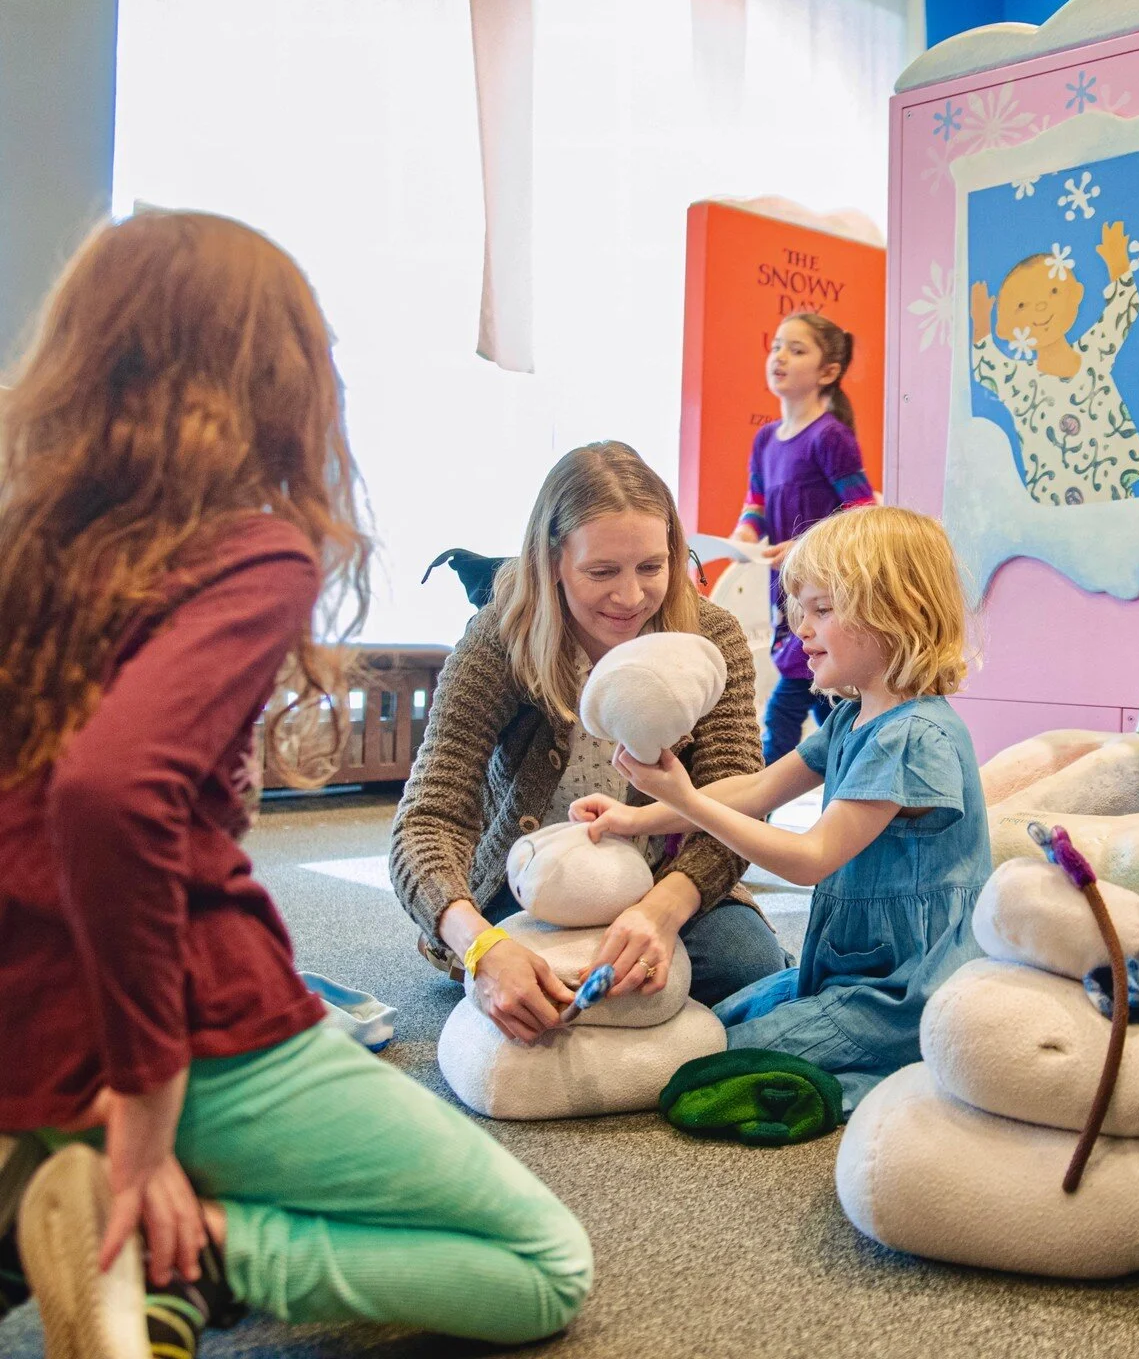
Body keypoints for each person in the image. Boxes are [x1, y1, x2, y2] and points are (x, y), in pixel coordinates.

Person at [0, 212, 592, 1358]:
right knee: (542, 1264)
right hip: (185, 1020)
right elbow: (108, 797)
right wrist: (142, 1100)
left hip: (29, 1005)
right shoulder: (248, 546)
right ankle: (211, 1252)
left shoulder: (31, 545)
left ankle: (87, 1210)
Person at [573, 505, 991, 1113]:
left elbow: (810, 859)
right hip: (845, 968)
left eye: (823, 610)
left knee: (704, 1060)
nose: (803, 629)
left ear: (895, 614)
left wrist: (684, 797)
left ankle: (914, 1066)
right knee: (710, 1020)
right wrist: (639, 815)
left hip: (905, 993)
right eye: (803, 610)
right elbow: (755, 790)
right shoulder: (854, 716)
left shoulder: (914, 737)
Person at [390, 440, 786, 1042]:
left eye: (651, 568)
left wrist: (661, 909)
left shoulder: (712, 637)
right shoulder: (500, 640)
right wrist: (480, 947)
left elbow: (733, 803)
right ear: (551, 561)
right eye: (601, 572)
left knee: (744, 964)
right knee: (513, 967)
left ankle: (591, 990)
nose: (629, 598)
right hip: (527, 887)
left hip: (662, 876)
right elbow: (428, 816)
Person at [730, 312, 876, 765]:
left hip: (823, 594)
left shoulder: (831, 437)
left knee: (782, 712)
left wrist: (806, 546)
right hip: (784, 593)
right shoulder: (765, 439)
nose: (780, 357)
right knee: (827, 703)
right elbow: (756, 500)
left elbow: (862, 512)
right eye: (776, 346)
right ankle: (851, 781)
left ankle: (757, 814)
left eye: (797, 350)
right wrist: (743, 535)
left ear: (827, 372)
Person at [970, 220, 1139, 505]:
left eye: (1053, 292)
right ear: (1004, 326)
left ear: (1075, 294)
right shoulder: (1018, 382)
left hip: (1115, 493)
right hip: (1053, 508)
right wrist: (980, 323)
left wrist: (1118, 264)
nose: (1040, 308)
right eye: (1021, 305)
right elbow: (985, 366)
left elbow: (1122, 310)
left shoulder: (1094, 352)